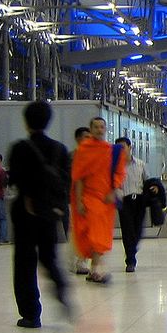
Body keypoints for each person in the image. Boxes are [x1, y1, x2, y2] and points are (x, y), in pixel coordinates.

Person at [6, 101, 72, 327]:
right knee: (49, 256)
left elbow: (14, 179)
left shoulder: (20, 148)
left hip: (25, 211)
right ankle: (61, 286)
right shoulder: (59, 149)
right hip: (49, 213)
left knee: (24, 262)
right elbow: (66, 181)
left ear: (26, 122)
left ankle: (31, 313)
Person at [71, 117, 126, 284]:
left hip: (105, 198)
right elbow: (79, 177)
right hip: (89, 196)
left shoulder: (111, 150)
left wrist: (113, 189)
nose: (99, 130)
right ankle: (98, 269)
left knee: (101, 233)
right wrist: (79, 201)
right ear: (91, 129)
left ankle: (95, 269)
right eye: (96, 127)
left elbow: (119, 173)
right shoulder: (84, 150)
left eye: (102, 127)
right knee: (94, 233)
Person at [115, 137, 157, 272]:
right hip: (124, 201)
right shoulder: (115, 167)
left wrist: (153, 188)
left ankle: (132, 249)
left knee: (138, 230)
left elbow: (147, 181)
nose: (121, 150)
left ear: (129, 147)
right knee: (127, 230)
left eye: (123, 147)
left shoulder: (140, 164)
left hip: (139, 200)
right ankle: (130, 260)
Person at [68, 127, 90, 275]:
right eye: (85, 137)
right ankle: (75, 260)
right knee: (75, 230)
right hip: (73, 200)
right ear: (78, 139)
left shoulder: (94, 156)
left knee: (88, 231)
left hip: (90, 199)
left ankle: (82, 260)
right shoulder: (71, 157)